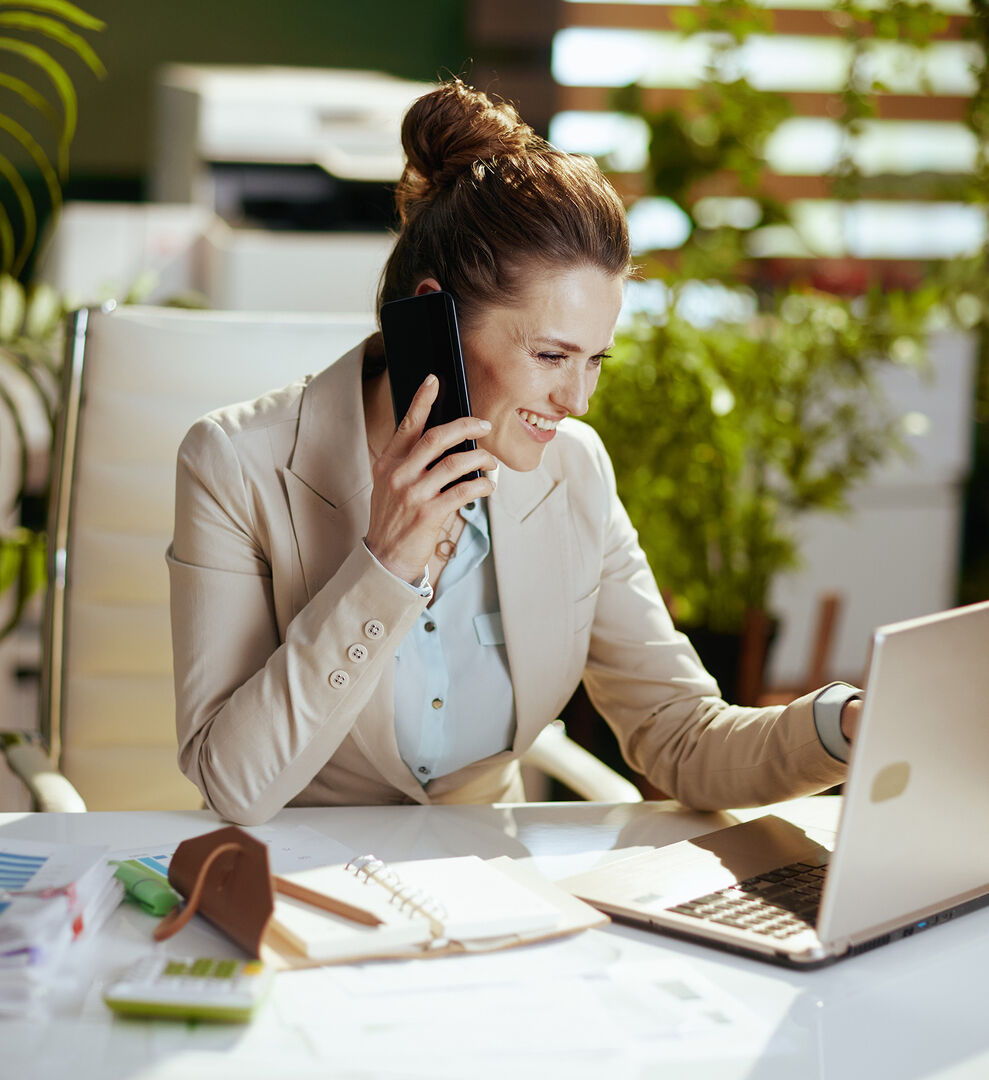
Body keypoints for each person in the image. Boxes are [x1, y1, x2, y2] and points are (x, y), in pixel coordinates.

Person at [167, 79, 861, 826]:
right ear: (435, 315)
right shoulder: (234, 465)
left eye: (594, 359)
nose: (577, 399)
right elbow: (233, 785)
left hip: (493, 891)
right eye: (551, 354)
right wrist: (385, 564)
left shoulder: (573, 470)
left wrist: (847, 728)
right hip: (297, 890)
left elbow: (681, 735)